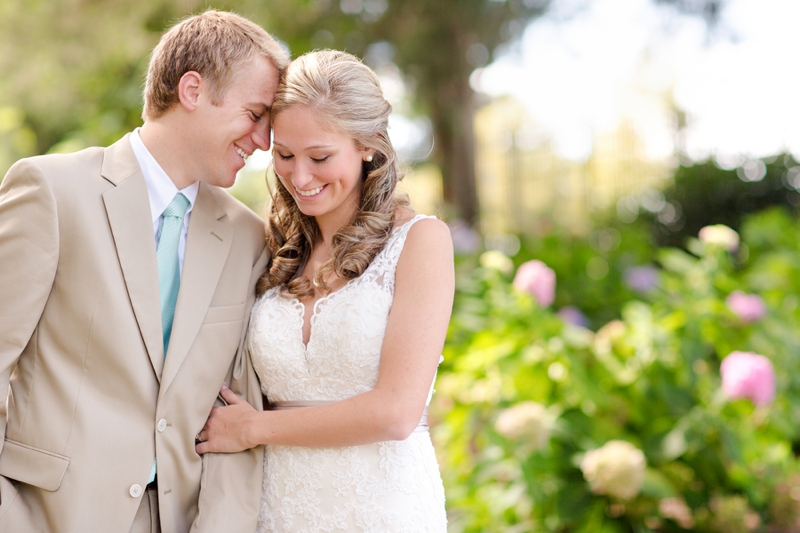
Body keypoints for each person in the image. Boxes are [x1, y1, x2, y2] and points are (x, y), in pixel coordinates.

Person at [0, 10, 288, 533]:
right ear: (193, 90)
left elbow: (235, 413)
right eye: (254, 113)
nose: (264, 141)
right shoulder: (51, 191)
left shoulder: (248, 238)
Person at [196, 49, 454, 532]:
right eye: (285, 155)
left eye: (320, 157)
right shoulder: (267, 246)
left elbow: (397, 411)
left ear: (368, 146)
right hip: (277, 508)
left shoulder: (420, 241)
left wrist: (255, 428)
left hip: (384, 508)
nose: (299, 177)